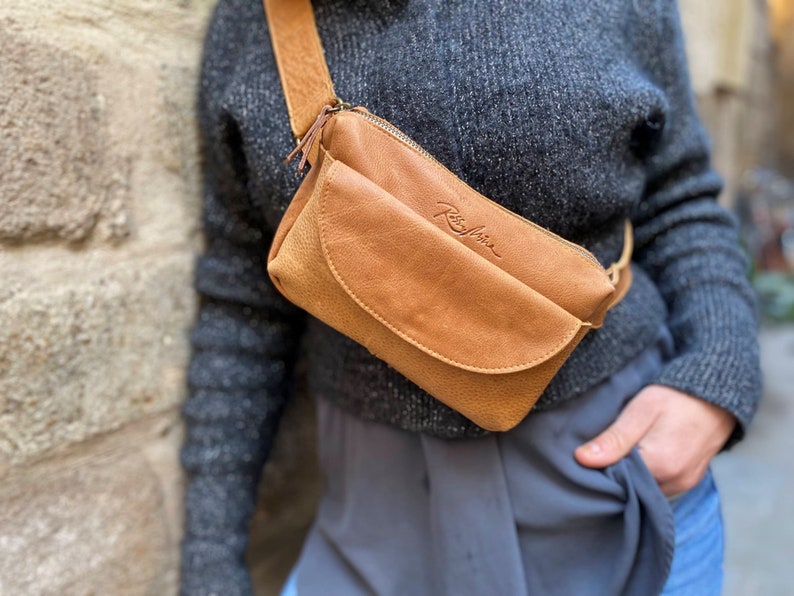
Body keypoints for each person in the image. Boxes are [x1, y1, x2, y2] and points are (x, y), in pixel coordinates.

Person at [178, 0, 762, 594]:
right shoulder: (252, 23)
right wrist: (210, 563)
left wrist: (719, 374)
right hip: (371, 517)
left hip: (612, 475)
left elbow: (679, 198)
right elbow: (242, 303)